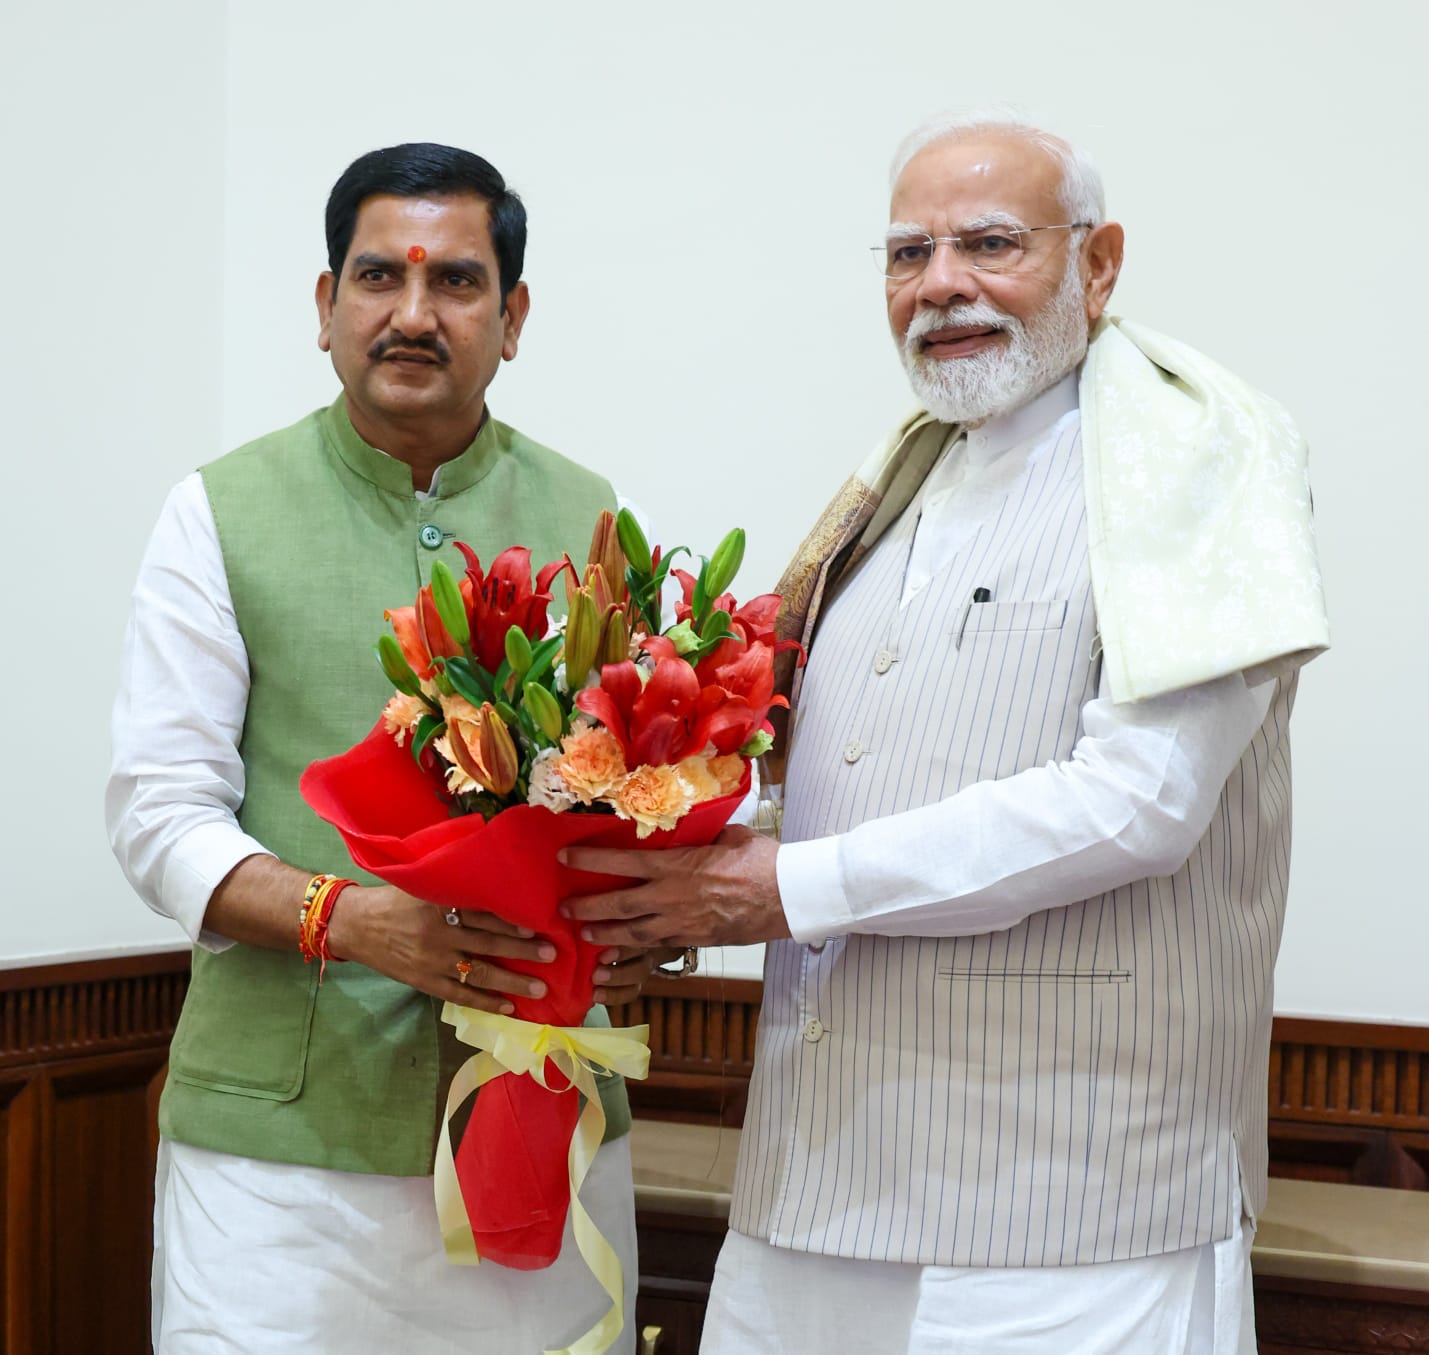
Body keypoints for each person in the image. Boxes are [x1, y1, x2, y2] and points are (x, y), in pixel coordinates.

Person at [562, 111, 1329, 1354]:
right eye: (908, 253)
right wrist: (656, 880)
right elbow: (840, 781)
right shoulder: (900, 483)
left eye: (990, 243)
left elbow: (1139, 801)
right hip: (818, 1174)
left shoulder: (1198, 465)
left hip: (1073, 1196)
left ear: (1097, 262)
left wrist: (779, 888)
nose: (940, 285)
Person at [107, 142, 661, 1354]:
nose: (413, 314)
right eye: (377, 277)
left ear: (512, 318)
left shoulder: (590, 516)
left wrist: (643, 919)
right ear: (326, 307)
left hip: (540, 1118)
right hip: (279, 1164)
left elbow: (633, 790)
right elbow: (158, 812)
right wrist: (352, 920)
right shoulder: (219, 511)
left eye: (457, 281)